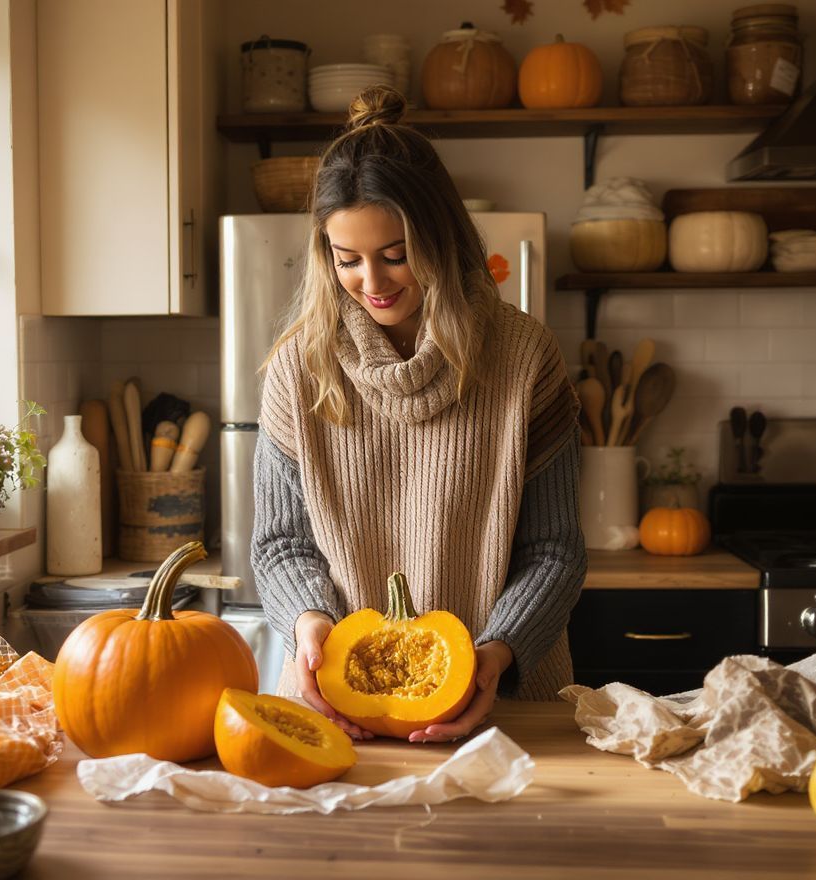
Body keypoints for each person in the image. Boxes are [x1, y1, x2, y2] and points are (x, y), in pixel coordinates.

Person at [251, 85, 586, 744]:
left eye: (395, 254)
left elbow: (553, 552)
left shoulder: (525, 358)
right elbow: (280, 546)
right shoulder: (299, 369)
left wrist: (495, 655)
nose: (372, 281)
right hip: (339, 715)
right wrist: (310, 621)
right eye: (348, 260)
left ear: (440, 236)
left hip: (503, 703)